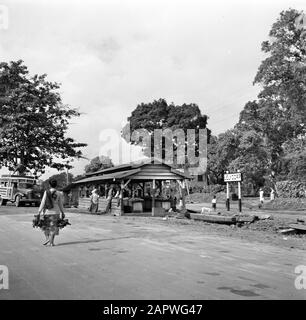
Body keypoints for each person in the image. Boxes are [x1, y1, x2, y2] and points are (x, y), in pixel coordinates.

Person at [37, 179, 65, 246]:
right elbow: (60, 203)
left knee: (45, 226)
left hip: (47, 211)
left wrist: (39, 212)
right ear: (56, 185)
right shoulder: (59, 193)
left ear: (49, 185)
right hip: (56, 212)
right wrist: (62, 212)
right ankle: (52, 242)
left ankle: (47, 239)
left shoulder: (46, 192)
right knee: (54, 227)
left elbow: (43, 202)